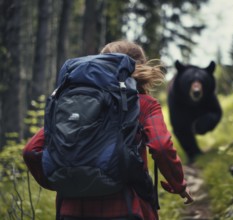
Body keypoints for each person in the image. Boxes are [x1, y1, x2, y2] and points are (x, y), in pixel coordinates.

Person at [23, 40, 193, 220]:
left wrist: (57, 181)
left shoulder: (75, 106)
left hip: (70, 209)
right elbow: (161, 146)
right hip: (126, 207)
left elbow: (30, 151)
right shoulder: (143, 104)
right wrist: (179, 184)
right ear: (139, 66)